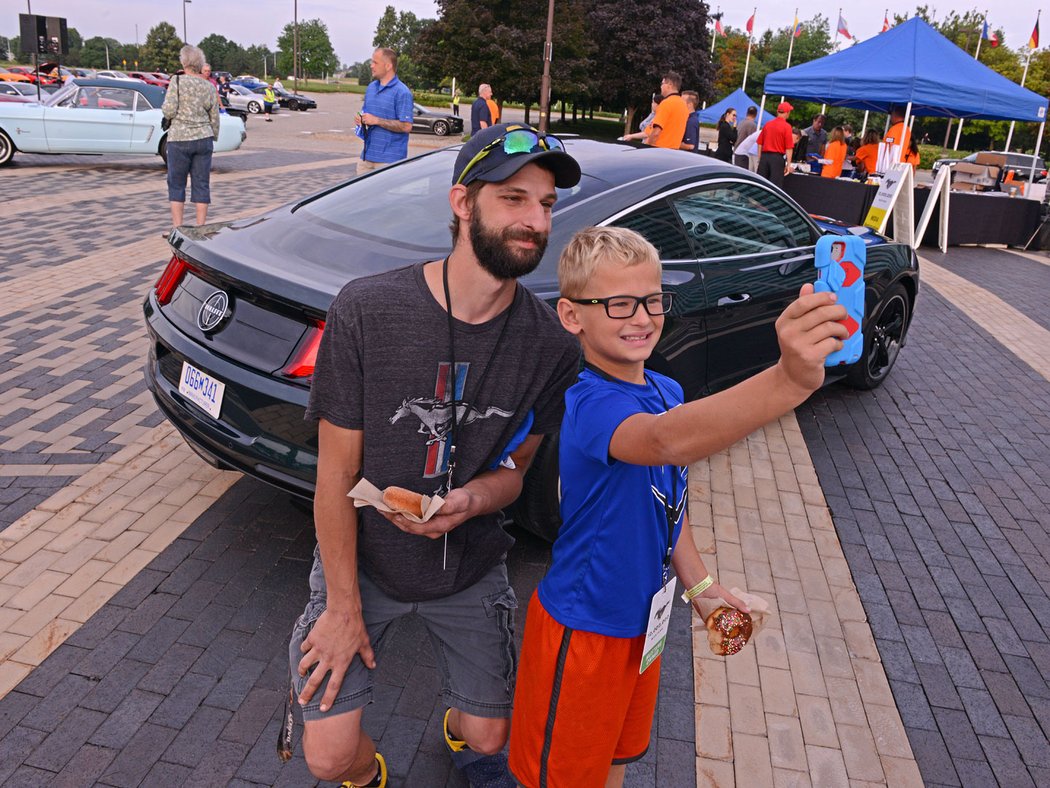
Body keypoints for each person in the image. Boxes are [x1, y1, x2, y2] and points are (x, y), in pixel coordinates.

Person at [288, 122, 583, 788]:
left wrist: (472, 500)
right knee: (330, 758)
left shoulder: (551, 347)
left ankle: (461, 727)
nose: (534, 219)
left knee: (489, 737)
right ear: (462, 203)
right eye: (513, 198)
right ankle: (371, 776)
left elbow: (515, 470)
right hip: (362, 564)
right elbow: (334, 475)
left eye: (545, 204)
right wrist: (340, 608)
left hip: (468, 567)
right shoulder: (368, 310)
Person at [508, 226, 848, 788]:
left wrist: (703, 590)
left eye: (652, 299)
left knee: (616, 759)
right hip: (584, 630)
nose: (641, 317)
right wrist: (788, 380)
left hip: (646, 626)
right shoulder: (587, 401)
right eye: (617, 303)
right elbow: (664, 443)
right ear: (572, 316)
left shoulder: (666, 390)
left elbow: (668, 502)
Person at [161, 45, 220, 231]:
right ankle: (200, 227)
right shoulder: (208, 86)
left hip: (179, 138)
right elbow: (214, 115)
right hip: (203, 138)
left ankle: (178, 228)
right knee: (201, 183)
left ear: (184, 62)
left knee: (176, 183)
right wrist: (213, 136)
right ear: (200, 64)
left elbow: (169, 110)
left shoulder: (177, 82)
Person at [355, 47, 413, 176]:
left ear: (388, 66)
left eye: (375, 62)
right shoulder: (371, 88)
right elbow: (365, 113)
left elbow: (407, 126)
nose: (371, 66)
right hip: (366, 157)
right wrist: (360, 119)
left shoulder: (402, 92)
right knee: (360, 196)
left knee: (384, 197)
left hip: (389, 161)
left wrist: (377, 121)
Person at [647, 72, 689, 149]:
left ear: (669, 85)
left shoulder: (666, 103)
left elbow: (656, 132)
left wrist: (647, 148)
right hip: (672, 151)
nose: (661, 87)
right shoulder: (684, 106)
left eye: (662, 84)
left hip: (658, 150)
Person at [756, 101, 795, 188]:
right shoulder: (787, 127)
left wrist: (760, 158)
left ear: (778, 111)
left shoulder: (768, 124)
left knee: (761, 184)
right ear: (787, 113)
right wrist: (788, 165)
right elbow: (789, 148)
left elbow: (759, 143)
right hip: (777, 158)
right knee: (775, 186)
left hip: (764, 157)